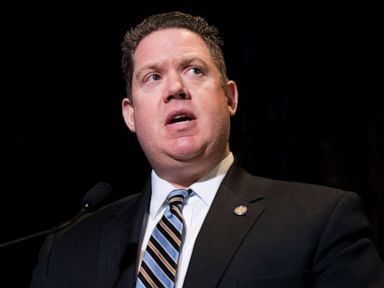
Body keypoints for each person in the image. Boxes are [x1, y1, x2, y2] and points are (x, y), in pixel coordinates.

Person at [30, 11, 384, 288]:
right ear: (130, 114)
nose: (175, 88)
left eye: (194, 70)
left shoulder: (320, 220)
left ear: (229, 97)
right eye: (152, 77)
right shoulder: (66, 247)